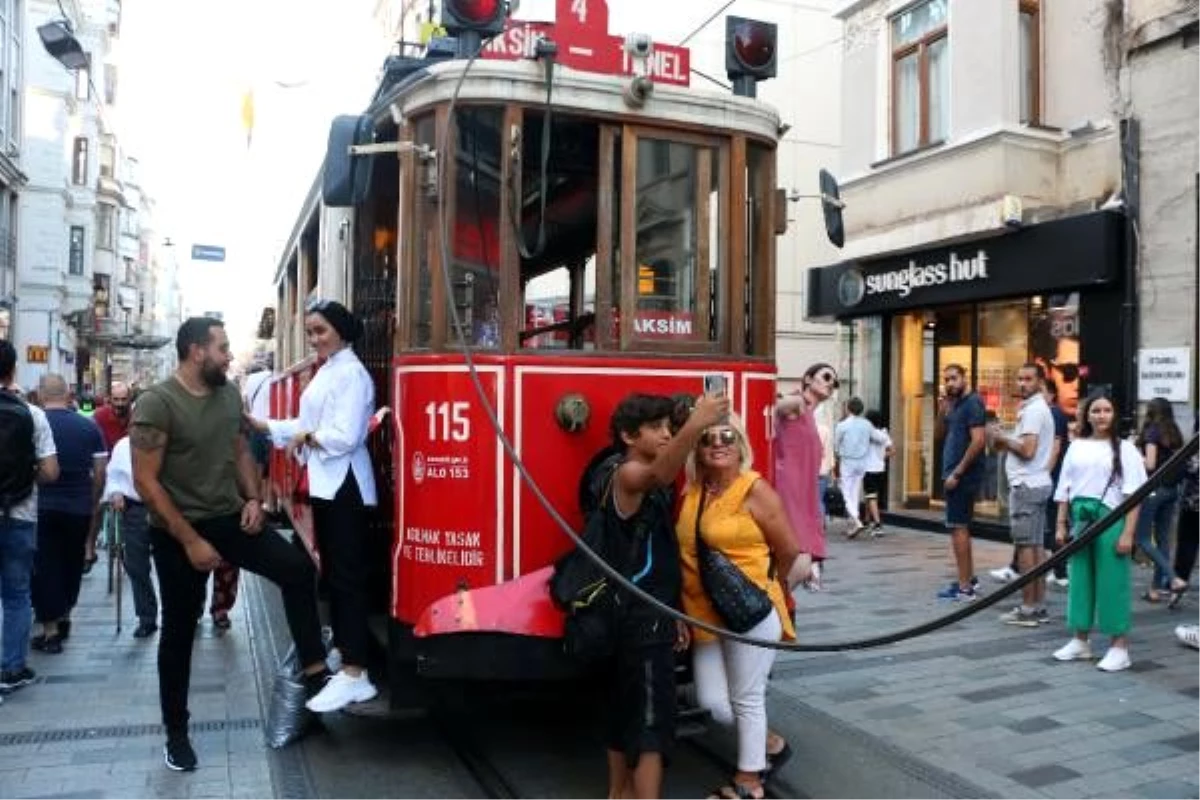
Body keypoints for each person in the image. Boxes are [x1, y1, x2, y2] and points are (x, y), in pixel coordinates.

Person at [131, 317, 334, 773]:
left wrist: (255, 499)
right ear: (196, 351)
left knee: (297, 570)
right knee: (180, 630)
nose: (229, 355)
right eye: (222, 348)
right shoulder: (156, 403)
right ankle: (177, 734)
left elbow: (240, 452)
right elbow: (146, 482)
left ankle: (315, 674)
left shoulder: (228, 395)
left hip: (229, 517)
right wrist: (190, 542)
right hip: (177, 528)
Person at [247, 299, 379, 713]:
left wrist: (303, 437)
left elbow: (344, 437)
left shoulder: (352, 374)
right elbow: (310, 428)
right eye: (310, 331)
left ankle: (357, 673)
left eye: (320, 330)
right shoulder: (332, 369)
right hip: (329, 483)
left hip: (345, 485)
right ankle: (346, 653)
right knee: (337, 573)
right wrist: (265, 426)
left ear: (340, 330)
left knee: (347, 575)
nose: (314, 338)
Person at [677, 413, 810, 800]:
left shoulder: (755, 489)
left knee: (746, 698)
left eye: (727, 437)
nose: (718, 444)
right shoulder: (694, 492)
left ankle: (748, 782)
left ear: (741, 446)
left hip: (749, 610)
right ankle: (770, 744)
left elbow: (787, 550)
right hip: (703, 613)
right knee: (713, 703)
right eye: (708, 439)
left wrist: (767, 588)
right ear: (697, 450)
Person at [603, 391, 728, 800]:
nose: (663, 435)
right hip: (641, 623)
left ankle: (619, 794)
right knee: (653, 728)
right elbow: (659, 474)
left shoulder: (636, 474)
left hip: (645, 614)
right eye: (654, 429)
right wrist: (696, 425)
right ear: (627, 435)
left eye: (666, 428)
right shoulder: (627, 475)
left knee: (625, 718)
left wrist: (674, 609)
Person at [1052, 392, 1147, 672]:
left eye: (1107, 410)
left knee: (1112, 582)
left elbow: (1134, 494)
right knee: (1079, 578)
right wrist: (1060, 523)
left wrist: (1128, 534)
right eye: (1096, 410)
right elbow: (1064, 489)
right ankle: (1080, 639)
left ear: (1114, 414)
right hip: (1080, 518)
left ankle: (1119, 646)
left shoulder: (1125, 449)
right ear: (1087, 414)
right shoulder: (1076, 446)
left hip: (1111, 517)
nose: (1101, 415)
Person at [30, 374, 107, 653]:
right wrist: (93, 500)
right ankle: (65, 614)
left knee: (46, 565)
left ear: (40, 394)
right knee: (72, 562)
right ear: (68, 394)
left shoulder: (35, 424)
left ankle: (50, 630)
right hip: (78, 507)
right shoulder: (89, 427)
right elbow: (100, 472)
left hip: (42, 506)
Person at [0, 340, 59, 694]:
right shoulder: (32, 414)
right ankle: (11, 668)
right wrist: (24, 479)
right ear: (13, 370)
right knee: (17, 594)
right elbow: (51, 471)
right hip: (20, 514)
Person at [988, 364, 1056, 627]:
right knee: (1036, 546)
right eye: (1019, 378)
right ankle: (1037, 605)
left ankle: (1029, 608)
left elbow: (1027, 450)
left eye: (1028, 379)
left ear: (1040, 382)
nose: (1022, 383)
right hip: (1036, 483)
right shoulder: (1035, 409)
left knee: (1027, 547)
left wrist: (1002, 437)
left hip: (1027, 485)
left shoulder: (1034, 411)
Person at [774, 362, 839, 590]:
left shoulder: (810, 413)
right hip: (790, 492)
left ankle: (777, 607)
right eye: (826, 377)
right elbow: (776, 406)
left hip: (803, 494)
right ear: (808, 379)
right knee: (798, 559)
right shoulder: (800, 403)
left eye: (834, 382)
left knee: (801, 560)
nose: (831, 384)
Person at [936, 365, 987, 601]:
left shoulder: (973, 402)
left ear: (965, 378)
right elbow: (939, 436)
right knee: (958, 527)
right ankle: (968, 579)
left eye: (954, 378)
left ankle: (965, 588)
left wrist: (958, 472)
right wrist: (941, 410)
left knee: (958, 527)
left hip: (962, 477)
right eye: (947, 379)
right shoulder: (953, 405)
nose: (950, 383)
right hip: (953, 474)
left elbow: (978, 441)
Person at [102, 432, 159, 638]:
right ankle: (147, 617)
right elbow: (114, 475)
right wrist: (115, 492)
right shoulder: (123, 445)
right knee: (136, 565)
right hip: (135, 509)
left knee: (173, 563)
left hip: (168, 507)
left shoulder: (173, 441)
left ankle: (185, 612)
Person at [1133, 397, 1186, 603]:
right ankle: (1156, 589)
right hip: (1172, 489)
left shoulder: (1152, 432)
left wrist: (1135, 456)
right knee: (1163, 538)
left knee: (1143, 539)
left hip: (1154, 489)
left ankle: (1173, 579)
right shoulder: (1174, 431)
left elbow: (1150, 464)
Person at [834, 397, 875, 537]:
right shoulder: (867, 424)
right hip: (861, 462)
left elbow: (836, 445)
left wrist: (838, 454)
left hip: (847, 461)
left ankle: (856, 521)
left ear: (848, 409)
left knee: (846, 492)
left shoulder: (843, 425)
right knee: (855, 492)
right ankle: (854, 523)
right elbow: (878, 438)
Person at [862, 409, 893, 537]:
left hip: (868, 468)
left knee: (871, 496)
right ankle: (866, 521)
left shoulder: (867, 434)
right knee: (871, 496)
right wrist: (881, 457)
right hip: (880, 469)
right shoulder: (884, 433)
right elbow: (892, 451)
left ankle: (878, 524)